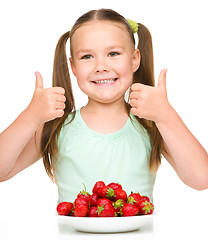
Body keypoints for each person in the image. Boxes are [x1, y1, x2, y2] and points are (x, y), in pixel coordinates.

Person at [0, 9, 207, 203]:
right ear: (73, 66)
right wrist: (30, 117)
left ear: (135, 59)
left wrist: (166, 115)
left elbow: (201, 178)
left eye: (113, 54)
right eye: (87, 57)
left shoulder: (152, 125)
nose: (101, 66)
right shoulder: (57, 127)